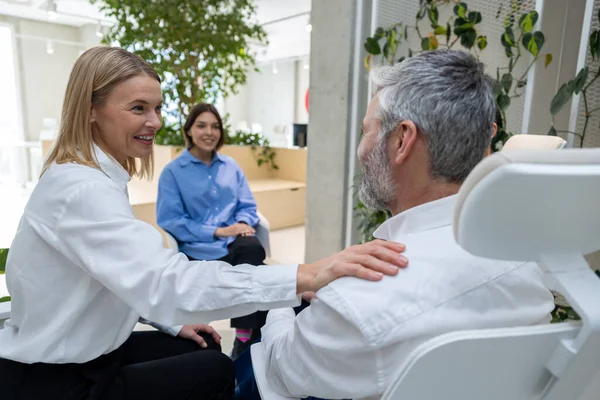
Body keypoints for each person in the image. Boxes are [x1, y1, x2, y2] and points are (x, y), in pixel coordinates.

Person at [0, 46, 409, 400]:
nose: (155, 121)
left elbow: (119, 275)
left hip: (89, 351)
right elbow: (164, 277)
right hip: (57, 378)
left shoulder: (98, 177)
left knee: (207, 343)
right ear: (91, 110)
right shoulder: (82, 189)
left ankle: (244, 335)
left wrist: (175, 321)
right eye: (138, 109)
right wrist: (307, 275)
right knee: (215, 372)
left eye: (157, 108)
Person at [242, 49, 555, 400]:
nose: (361, 150)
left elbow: (279, 371)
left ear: (402, 140)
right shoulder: (527, 267)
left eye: (366, 131)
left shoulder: (360, 304)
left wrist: (282, 302)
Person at [157, 103, 266, 359]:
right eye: (202, 125)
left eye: (215, 126)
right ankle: (212, 345)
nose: (209, 132)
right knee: (256, 272)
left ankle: (243, 338)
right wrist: (218, 231)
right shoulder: (173, 172)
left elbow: (248, 206)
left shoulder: (231, 166)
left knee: (253, 249)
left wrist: (240, 224)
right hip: (196, 249)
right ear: (189, 131)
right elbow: (171, 220)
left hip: (233, 247)